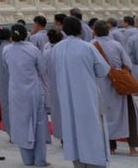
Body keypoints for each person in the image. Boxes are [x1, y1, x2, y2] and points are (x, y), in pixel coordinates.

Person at [49, 16, 110, 167]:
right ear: (80, 29)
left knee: (72, 129)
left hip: (66, 97)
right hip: (86, 97)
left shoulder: (56, 48)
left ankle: (78, 162)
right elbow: (103, 70)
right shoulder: (87, 47)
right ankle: (94, 161)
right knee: (91, 128)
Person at [2, 22, 50, 166]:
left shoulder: (7, 50)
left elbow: (7, 66)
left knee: (21, 123)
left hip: (16, 91)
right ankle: (40, 159)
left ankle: (27, 159)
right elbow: (41, 69)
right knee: (39, 123)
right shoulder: (33, 49)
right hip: (33, 90)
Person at [92, 20, 137, 155]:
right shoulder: (116, 45)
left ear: (94, 32)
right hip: (119, 86)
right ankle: (132, 148)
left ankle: (111, 147)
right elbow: (127, 63)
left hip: (101, 87)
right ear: (108, 31)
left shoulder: (91, 46)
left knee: (105, 117)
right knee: (128, 115)